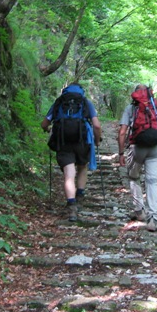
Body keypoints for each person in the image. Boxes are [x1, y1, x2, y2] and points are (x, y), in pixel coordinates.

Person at [41, 83, 102, 221]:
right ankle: (79, 194)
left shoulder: (59, 102)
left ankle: (71, 205)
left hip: (63, 142)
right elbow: (97, 125)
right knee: (82, 167)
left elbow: (44, 124)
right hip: (82, 141)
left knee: (69, 174)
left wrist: (48, 130)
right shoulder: (86, 102)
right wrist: (97, 141)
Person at [118, 84, 157, 232]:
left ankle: (139, 211)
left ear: (135, 94)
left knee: (134, 177)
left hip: (137, 148)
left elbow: (122, 132)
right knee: (152, 181)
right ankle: (153, 218)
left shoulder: (131, 109)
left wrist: (121, 153)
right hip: (155, 148)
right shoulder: (156, 108)